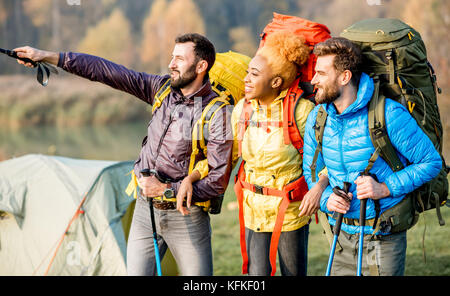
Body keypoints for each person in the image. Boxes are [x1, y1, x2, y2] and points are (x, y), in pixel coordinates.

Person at [13, 33, 233, 276]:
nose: (171, 64)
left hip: (187, 217)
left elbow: (218, 182)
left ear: (201, 66)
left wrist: (165, 190)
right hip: (144, 210)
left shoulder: (219, 113)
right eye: (172, 57)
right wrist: (48, 57)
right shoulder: (160, 89)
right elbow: (106, 71)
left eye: (179, 59)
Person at [302, 37, 442, 276]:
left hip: (383, 236)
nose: (313, 80)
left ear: (345, 77)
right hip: (340, 235)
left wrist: (384, 188)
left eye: (321, 73)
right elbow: (312, 171)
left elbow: (431, 162)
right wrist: (326, 198)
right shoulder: (317, 119)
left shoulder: (389, 114)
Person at [222, 30, 328, 276]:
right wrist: (198, 177)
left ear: (276, 82)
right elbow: (230, 155)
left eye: (255, 74)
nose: (246, 79)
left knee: (293, 273)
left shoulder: (302, 112)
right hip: (253, 209)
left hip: (290, 210)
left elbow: (325, 158)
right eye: (248, 71)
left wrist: (319, 187)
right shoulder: (243, 110)